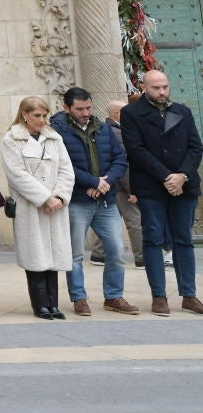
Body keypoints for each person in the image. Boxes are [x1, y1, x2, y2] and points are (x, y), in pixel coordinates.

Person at [121, 70, 202, 315]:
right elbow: (136, 150)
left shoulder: (183, 111)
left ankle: (189, 295)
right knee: (153, 239)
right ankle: (159, 296)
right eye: (156, 87)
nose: (162, 92)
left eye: (165, 86)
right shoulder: (131, 113)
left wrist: (182, 176)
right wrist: (167, 177)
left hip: (184, 185)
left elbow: (195, 147)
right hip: (151, 186)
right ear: (144, 88)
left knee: (183, 240)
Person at [51, 87, 138, 317]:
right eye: (80, 109)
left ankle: (114, 296)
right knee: (76, 253)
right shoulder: (57, 132)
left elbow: (120, 158)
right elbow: (63, 165)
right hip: (78, 201)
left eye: (88, 107)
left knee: (117, 250)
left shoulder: (103, 128)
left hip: (106, 201)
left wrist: (106, 181)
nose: (85, 112)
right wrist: (91, 181)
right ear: (66, 108)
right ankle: (79, 298)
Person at [1, 96, 75, 320]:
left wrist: (60, 196)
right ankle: (40, 304)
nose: (42, 120)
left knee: (54, 254)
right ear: (25, 115)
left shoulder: (55, 138)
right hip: (31, 206)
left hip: (56, 207)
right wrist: (44, 198)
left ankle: (53, 303)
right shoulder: (12, 139)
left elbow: (66, 169)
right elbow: (17, 174)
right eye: (37, 116)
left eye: (44, 116)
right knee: (36, 254)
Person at [90, 100, 143, 268]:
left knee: (107, 220)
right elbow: (124, 165)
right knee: (135, 221)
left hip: (107, 184)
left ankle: (98, 255)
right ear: (118, 114)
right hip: (121, 185)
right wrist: (132, 190)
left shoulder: (104, 130)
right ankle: (142, 257)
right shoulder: (118, 133)